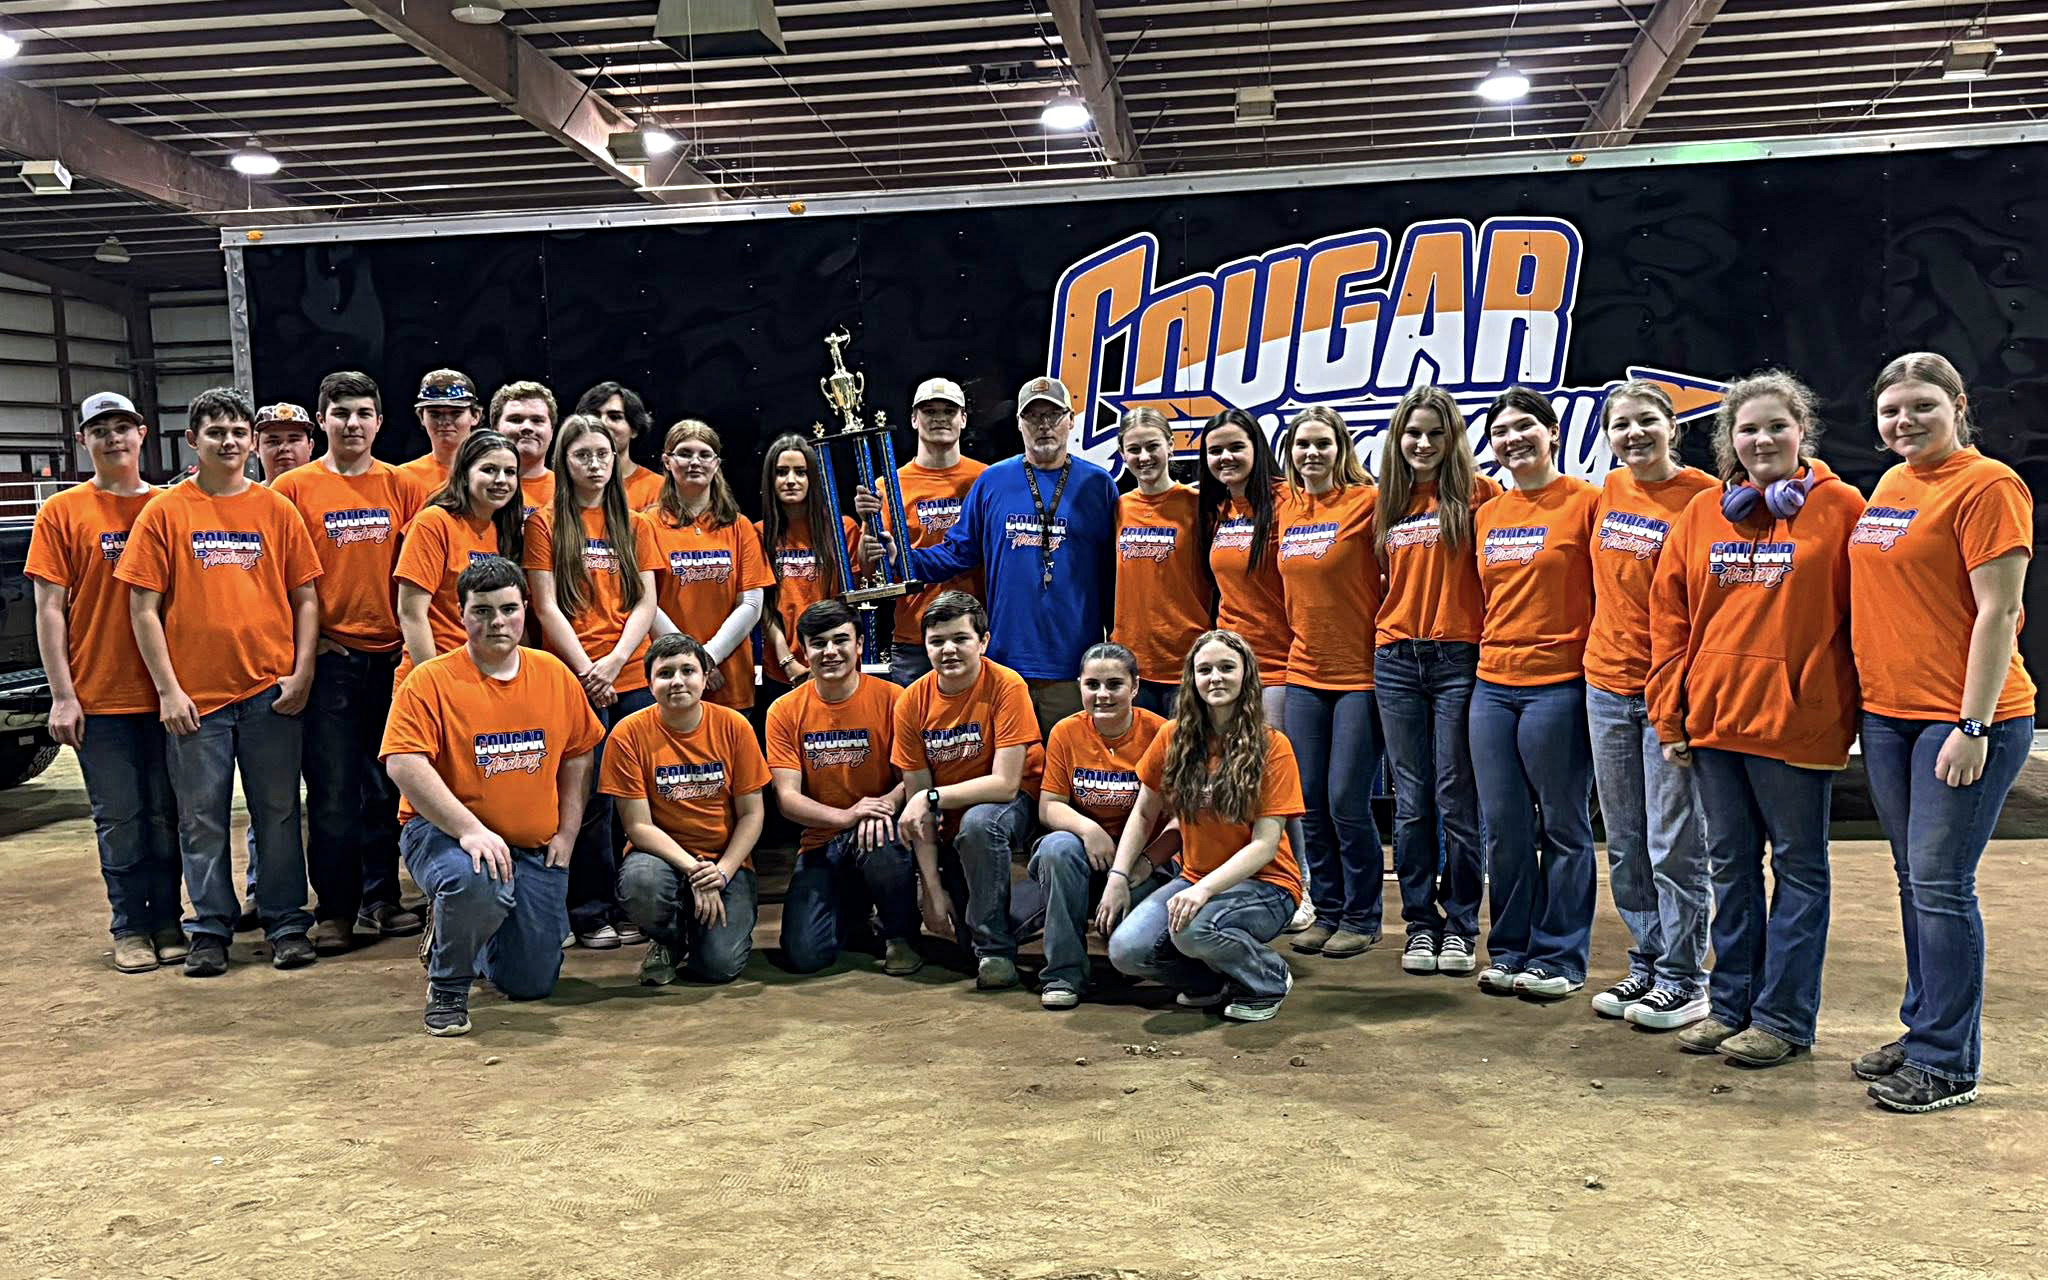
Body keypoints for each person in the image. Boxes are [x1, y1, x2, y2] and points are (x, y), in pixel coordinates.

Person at [1648, 370, 1864, 1067]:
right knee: (1730, 867)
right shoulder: (1703, 514)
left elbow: (1863, 615)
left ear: (1803, 432)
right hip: (1715, 721)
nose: (1763, 439)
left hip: (1797, 725)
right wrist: (1670, 714)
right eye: (1748, 429)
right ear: (1729, 442)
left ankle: (1784, 1019)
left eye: (1777, 426)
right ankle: (1732, 1004)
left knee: (1799, 870)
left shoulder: (1841, 507)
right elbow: (1670, 620)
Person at [1848, 353, 2033, 1112]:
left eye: (1922, 405)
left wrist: (1972, 724)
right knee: (1915, 882)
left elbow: (1999, 612)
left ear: (1958, 405)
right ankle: (1925, 1027)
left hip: (1961, 720)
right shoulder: (1893, 484)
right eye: (1892, 410)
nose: (1906, 421)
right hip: (1889, 717)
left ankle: (1949, 1063)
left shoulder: (1989, 485)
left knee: (1941, 885)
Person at [116, 387, 323, 977]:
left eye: (237, 432)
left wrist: (302, 671)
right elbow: (142, 609)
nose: (228, 442)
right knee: (201, 818)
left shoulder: (276, 510)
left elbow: (306, 597)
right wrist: (168, 690)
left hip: (269, 694)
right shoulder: (165, 513)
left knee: (277, 814)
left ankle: (286, 923)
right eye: (215, 432)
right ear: (193, 441)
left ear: (251, 442)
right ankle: (209, 928)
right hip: (196, 701)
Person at [382, 555, 603, 1035]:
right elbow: (403, 763)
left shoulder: (554, 673)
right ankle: (448, 985)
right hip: (445, 836)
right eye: (482, 611)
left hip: (533, 846)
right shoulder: (430, 680)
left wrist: (567, 832)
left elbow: (578, 755)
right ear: (461, 615)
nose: (497, 621)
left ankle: (465, 931)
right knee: (476, 881)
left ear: (525, 609)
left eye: (508, 609)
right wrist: (469, 830)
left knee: (531, 982)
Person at [864, 376, 1119, 735]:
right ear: (1019, 423)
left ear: (1071, 420)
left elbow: (1114, 573)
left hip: (1074, 665)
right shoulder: (993, 481)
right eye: (1033, 416)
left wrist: (1114, 645)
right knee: (1005, 765)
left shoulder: (1098, 485)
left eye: (1053, 415)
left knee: (1068, 763)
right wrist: (902, 559)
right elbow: (958, 552)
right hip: (1004, 665)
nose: (1044, 425)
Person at [26, 392, 181, 973]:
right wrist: (63, 695)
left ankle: (168, 922)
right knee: (120, 816)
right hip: (101, 695)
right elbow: (49, 609)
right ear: (83, 441)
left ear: (142, 434)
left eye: (122, 427)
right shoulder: (63, 512)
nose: (113, 438)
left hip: (170, 696)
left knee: (167, 815)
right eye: (100, 430)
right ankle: (130, 927)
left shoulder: (169, 507)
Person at [1580, 381, 1719, 1027]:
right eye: (1621, 424)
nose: (1633, 434)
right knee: (1627, 841)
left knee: (1676, 843)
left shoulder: (1703, 497)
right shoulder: (1610, 490)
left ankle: (1685, 978)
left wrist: (1686, 693)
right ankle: (1648, 961)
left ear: (1673, 427)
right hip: (1605, 688)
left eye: (1646, 421)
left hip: (1669, 693)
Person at [272, 370, 425, 953]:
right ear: (322, 421)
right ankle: (335, 909)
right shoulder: (293, 489)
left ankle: (382, 898)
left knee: (386, 787)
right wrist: (308, 645)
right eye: (341, 413)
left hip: (392, 661)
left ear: (379, 422)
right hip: (331, 662)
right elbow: (276, 577)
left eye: (363, 413)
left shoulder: (402, 486)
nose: (352, 423)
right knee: (332, 792)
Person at [1469, 387, 1601, 1000]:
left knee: (1565, 827)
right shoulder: (1488, 513)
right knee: (1505, 827)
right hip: (1492, 686)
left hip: (1559, 685)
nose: (1512, 439)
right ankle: (1510, 948)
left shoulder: (1588, 503)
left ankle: (1561, 955)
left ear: (1553, 432)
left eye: (1525, 426)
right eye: (1500, 431)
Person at [1101, 629, 1306, 1022]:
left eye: (1227, 668)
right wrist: (1118, 876)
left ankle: (1269, 977)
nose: (1216, 678)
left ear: (1246, 675)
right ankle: (1211, 982)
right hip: (1194, 877)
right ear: (1192, 678)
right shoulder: (1172, 737)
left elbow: (1265, 845)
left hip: (1268, 885)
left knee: (1193, 929)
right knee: (1127, 951)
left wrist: (1204, 890)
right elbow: (1143, 815)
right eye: (1205, 669)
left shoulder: (1273, 745)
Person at [1371, 385, 1497, 977]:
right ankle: (1420, 924)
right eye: (1412, 433)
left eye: (1435, 434)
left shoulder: (1480, 495)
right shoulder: (1388, 502)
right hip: (1396, 659)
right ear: (1398, 439)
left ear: (1454, 439)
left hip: (1458, 660)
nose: (1422, 444)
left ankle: (1462, 925)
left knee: (1456, 796)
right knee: (1412, 800)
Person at [525, 414, 662, 950]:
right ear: (564, 461)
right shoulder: (544, 524)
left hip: (630, 674)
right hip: (573, 675)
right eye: (583, 455)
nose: (595, 464)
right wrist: (588, 669)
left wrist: (615, 661)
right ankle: (588, 909)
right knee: (586, 799)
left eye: (603, 454)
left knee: (634, 795)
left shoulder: (637, 523)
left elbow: (646, 603)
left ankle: (631, 903)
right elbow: (545, 605)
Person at [1274, 405, 1386, 960]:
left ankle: (1363, 916)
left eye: (1323, 443)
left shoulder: (1368, 503)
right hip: (1303, 672)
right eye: (1302, 444)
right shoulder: (1286, 507)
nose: (1312, 453)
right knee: (1310, 801)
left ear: (1342, 448)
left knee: (1346, 800)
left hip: (1360, 675)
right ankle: (1330, 909)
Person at [892, 590, 1045, 990]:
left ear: (983, 641)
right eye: (937, 641)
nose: (948, 650)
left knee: (979, 823)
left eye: (960, 638)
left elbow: (1005, 785)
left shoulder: (1007, 685)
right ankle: (995, 923)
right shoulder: (911, 702)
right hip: (951, 816)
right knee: (963, 939)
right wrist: (931, 889)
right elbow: (919, 808)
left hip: (1016, 805)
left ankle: (996, 952)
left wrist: (930, 798)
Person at [1199, 407, 1313, 935]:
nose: (1226, 457)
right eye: (1216, 450)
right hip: (1232, 664)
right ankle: (1252, 881)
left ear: (1257, 450)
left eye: (1236, 447)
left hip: (1283, 662)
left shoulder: (1289, 501)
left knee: (1279, 784)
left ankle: (1300, 886)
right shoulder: (1220, 510)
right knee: (1239, 779)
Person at [606, 634, 772, 986]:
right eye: (665, 673)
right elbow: (638, 827)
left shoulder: (735, 726)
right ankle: (667, 939)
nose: (677, 681)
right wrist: (696, 871)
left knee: (718, 968)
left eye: (688, 671)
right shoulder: (627, 734)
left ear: (705, 677)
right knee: (641, 884)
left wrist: (722, 872)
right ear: (649, 683)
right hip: (660, 859)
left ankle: (701, 932)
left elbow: (752, 815)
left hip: (725, 860)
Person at [766, 600, 921, 976]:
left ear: (860, 644)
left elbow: (912, 780)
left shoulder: (895, 699)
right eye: (818, 643)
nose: (830, 651)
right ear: (804, 652)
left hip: (880, 831)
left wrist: (882, 806)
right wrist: (848, 816)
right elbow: (787, 799)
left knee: (880, 839)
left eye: (841, 640)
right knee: (805, 956)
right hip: (821, 841)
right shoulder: (784, 711)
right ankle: (853, 909)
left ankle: (899, 935)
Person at [1027, 642, 1170, 1009]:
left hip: (1141, 865)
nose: (1102, 694)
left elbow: (1180, 821)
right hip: (1087, 859)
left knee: (1130, 946)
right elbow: (1049, 806)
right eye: (1092, 685)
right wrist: (1089, 830)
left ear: (1135, 687)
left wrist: (1145, 863)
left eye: (1114, 684)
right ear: (1080, 686)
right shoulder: (1066, 731)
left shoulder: (1162, 733)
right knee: (1056, 847)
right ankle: (1063, 975)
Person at [644, 420, 771, 710]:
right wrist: (688, 662)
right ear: (667, 461)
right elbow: (646, 603)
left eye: (704, 454)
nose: (695, 462)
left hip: (730, 679)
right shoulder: (646, 525)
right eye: (684, 453)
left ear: (716, 464)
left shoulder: (740, 526)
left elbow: (751, 604)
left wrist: (708, 657)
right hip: (670, 678)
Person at [394, 430, 525, 680]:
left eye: (510, 472)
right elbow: (411, 613)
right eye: (489, 470)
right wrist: (433, 683)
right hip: (438, 672)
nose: (501, 480)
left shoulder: (506, 530)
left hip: (487, 675)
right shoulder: (433, 522)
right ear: (464, 475)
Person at [882, 376, 986, 685]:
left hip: (975, 635)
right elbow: (873, 569)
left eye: (949, 411)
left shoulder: (986, 480)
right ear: (914, 419)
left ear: (963, 419)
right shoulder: (888, 487)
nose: (939, 418)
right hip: (914, 637)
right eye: (929, 411)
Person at [1111, 408, 1210, 717]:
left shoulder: (1198, 505)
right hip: (1132, 664)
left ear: (1170, 445)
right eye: (1134, 449)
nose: (1144, 457)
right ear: (1122, 454)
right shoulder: (1118, 508)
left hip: (1187, 661)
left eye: (1152, 446)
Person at [756, 433, 860, 690]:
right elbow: (762, 606)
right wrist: (787, 660)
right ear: (770, 479)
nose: (791, 480)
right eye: (781, 472)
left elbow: (853, 601)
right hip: (782, 669)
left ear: (813, 477)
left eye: (801, 472)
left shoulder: (843, 529)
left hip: (837, 662)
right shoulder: (758, 533)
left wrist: (826, 655)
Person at [574, 380, 664, 511]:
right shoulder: (565, 485)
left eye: (615, 417)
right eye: (594, 416)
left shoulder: (658, 488)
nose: (603, 423)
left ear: (634, 429)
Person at [394, 369, 480, 503]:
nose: (444, 421)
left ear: (475, 416)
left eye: (456, 413)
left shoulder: (493, 472)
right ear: (421, 417)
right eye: (435, 413)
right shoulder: (403, 477)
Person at [490, 380, 557, 518]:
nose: (527, 427)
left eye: (537, 420)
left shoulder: (570, 491)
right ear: (495, 428)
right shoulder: (472, 487)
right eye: (515, 420)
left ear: (552, 430)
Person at [253, 401, 314, 483]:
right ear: (256, 447)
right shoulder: (248, 492)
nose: (284, 448)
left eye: (294, 440)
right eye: (273, 441)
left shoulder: (328, 489)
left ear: (310, 447)